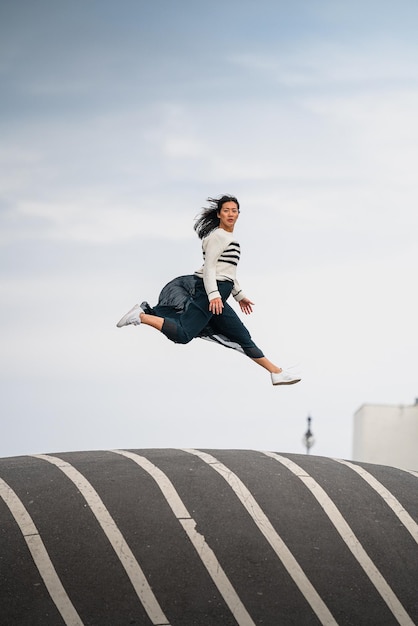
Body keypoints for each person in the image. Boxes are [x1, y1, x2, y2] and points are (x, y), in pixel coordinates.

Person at [116, 195, 301, 386]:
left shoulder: (228, 238)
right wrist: (213, 295)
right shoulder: (217, 236)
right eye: (226, 210)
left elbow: (228, 272)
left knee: (241, 336)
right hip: (210, 292)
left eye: (234, 210)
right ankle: (142, 316)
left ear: (238, 214)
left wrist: (240, 296)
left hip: (219, 293)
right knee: (182, 334)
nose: (230, 214)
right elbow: (210, 268)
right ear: (219, 214)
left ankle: (277, 373)